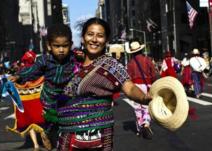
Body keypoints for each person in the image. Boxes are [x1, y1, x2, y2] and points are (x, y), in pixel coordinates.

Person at [56, 17, 152, 151]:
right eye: (90, 34)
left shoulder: (111, 65)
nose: (94, 40)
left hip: (99, 137)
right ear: (83, 38)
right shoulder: (68, 62)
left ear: (106, 41)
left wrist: (143, 98)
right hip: (67, 135)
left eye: (100, 36)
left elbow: (129, 87)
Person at [9, 23, 80, 150]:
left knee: (66, 124)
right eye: (57, 46)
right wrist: (19, 76)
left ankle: (64, 142)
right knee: (50, 121)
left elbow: (86, 63)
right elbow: (32, 71)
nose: (61, 50)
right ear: (49, 46)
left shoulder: (74, 58)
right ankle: (45, 134)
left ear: (71, 44)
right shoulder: (44, 60)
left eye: (65, 46)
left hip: (67, 97)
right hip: (49, 97)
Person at [6, 50, 45, 151]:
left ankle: (36, 145)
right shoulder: (38, 69)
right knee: (41, 118)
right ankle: (44, 137)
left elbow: (15, 82)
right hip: (37, 98)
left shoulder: (20, 71)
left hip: (25, 100)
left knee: (29, 122)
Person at [125, 41, 156, 139]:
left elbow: (128, 77)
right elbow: (153, 73)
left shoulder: (130, 63)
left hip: (136, 86)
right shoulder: (147, 60)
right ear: (141, 50)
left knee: (138, 107)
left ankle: (139, 128)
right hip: (147, 85)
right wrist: (153, 83)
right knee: (146, 105)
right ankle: (146, 123)